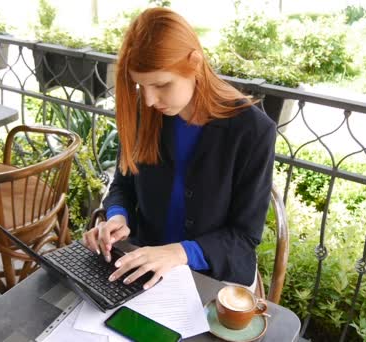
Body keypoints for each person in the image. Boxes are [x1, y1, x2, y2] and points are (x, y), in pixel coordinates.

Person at [82, 7, 276, 291]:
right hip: (145, 265)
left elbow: (243, 237)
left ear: (194, 63)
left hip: (213, 275)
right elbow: (123, 184)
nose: (148, 100)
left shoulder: (251, 131)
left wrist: (178, 253)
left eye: (161, 84)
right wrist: (118, 218)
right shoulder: (142, 113)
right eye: (141, 86)